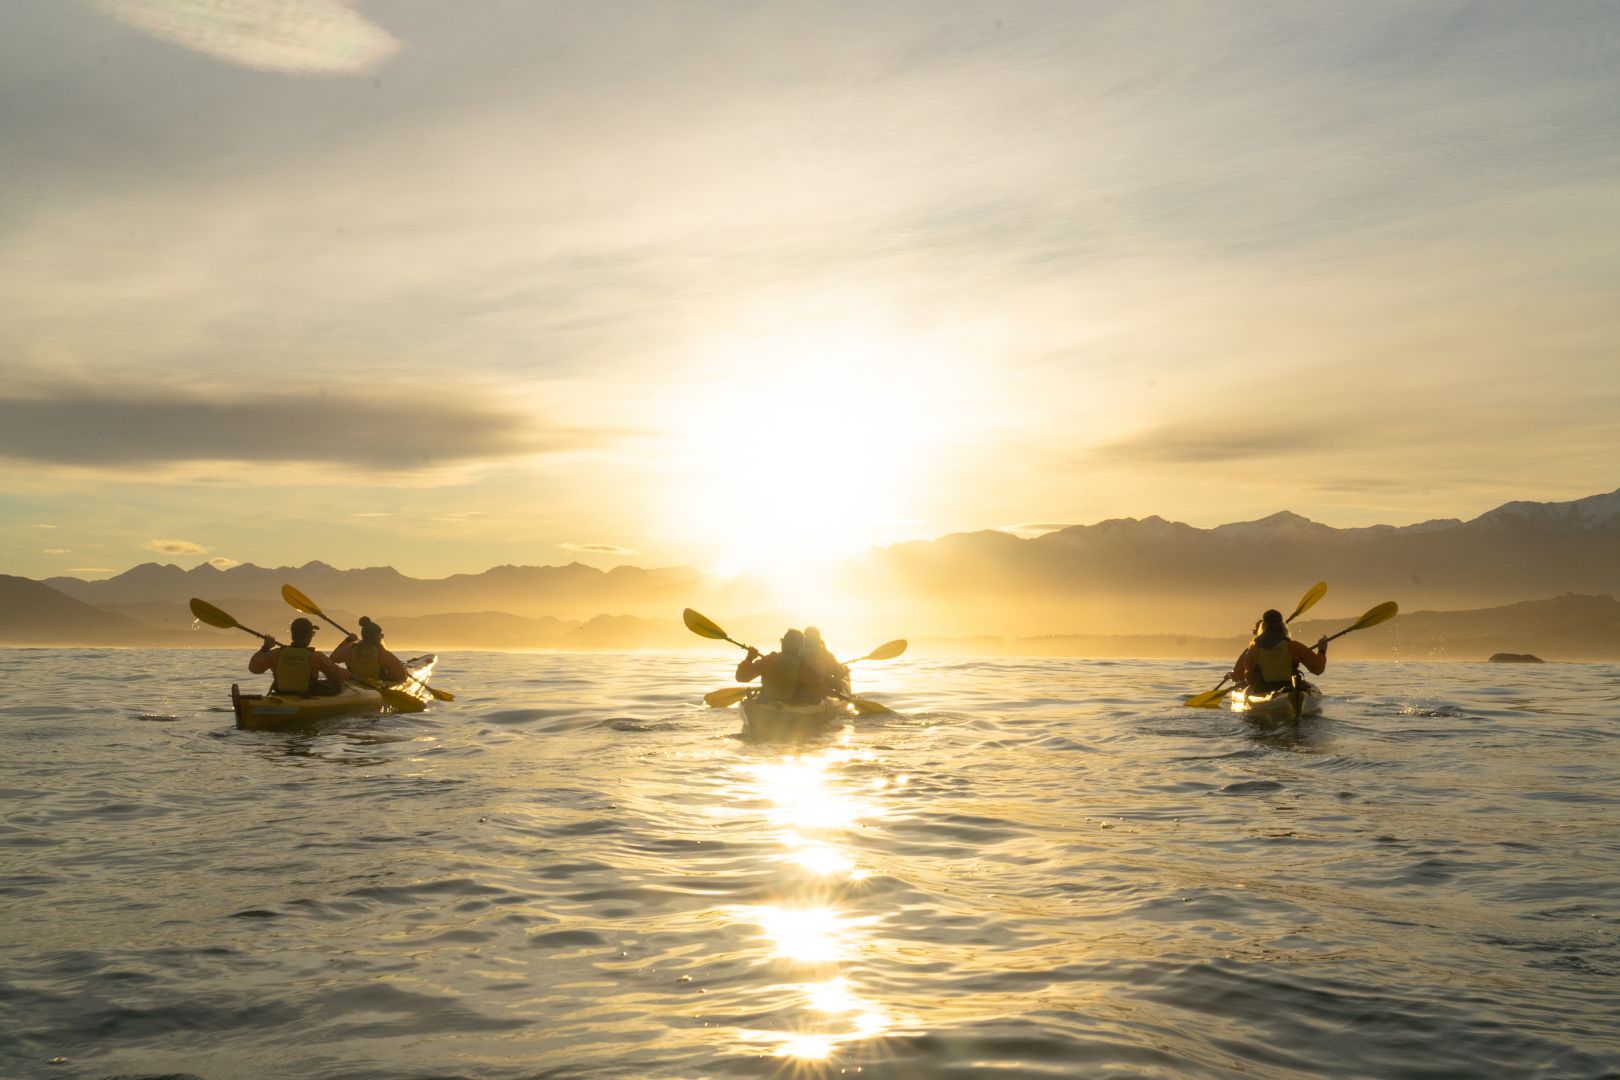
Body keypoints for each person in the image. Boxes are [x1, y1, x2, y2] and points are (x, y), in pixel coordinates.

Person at [1229, 608, 1327, 693]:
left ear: (1262, 627)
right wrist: (1322, 651)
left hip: (1263, 691)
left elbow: (1247, 679)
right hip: (1289, 689)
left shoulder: (1253, 650)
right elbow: (1318, 669)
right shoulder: (1294, 647)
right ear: (1282, 626)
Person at [248, 616, 348, 695]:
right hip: (307, 694)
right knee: (338, 685)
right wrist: (348, 674)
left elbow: (254, 668)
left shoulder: (276, 653)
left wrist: (265, 648)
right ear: (309, 636)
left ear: (293, 634)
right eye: (312, 634)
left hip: (281, 693)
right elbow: (338, 676)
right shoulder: (316, 656)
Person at [735, 628, 829, 705]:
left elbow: (741, 677)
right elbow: (823, 693)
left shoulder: (769, 660)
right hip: (789, 707)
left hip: (766, 704)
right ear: (800, 647)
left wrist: (749, 658)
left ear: (784, 643)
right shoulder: (802, 667)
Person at [330, 616, 409, 685]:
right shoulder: (382, 654)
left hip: (354, 685)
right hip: (376, 686)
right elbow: (402, 676)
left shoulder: (349, 650)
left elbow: (332, 659)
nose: (381, 638)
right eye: (381, 635)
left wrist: (347, 641)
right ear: (376, 637)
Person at [802, 626, 851, 697]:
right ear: (818, 638)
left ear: (805, 638)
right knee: (840, 683)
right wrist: (845, 671)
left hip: (802, 690)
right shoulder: (826, 654)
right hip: (820, 690)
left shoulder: (797, 652)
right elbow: (840, 673)